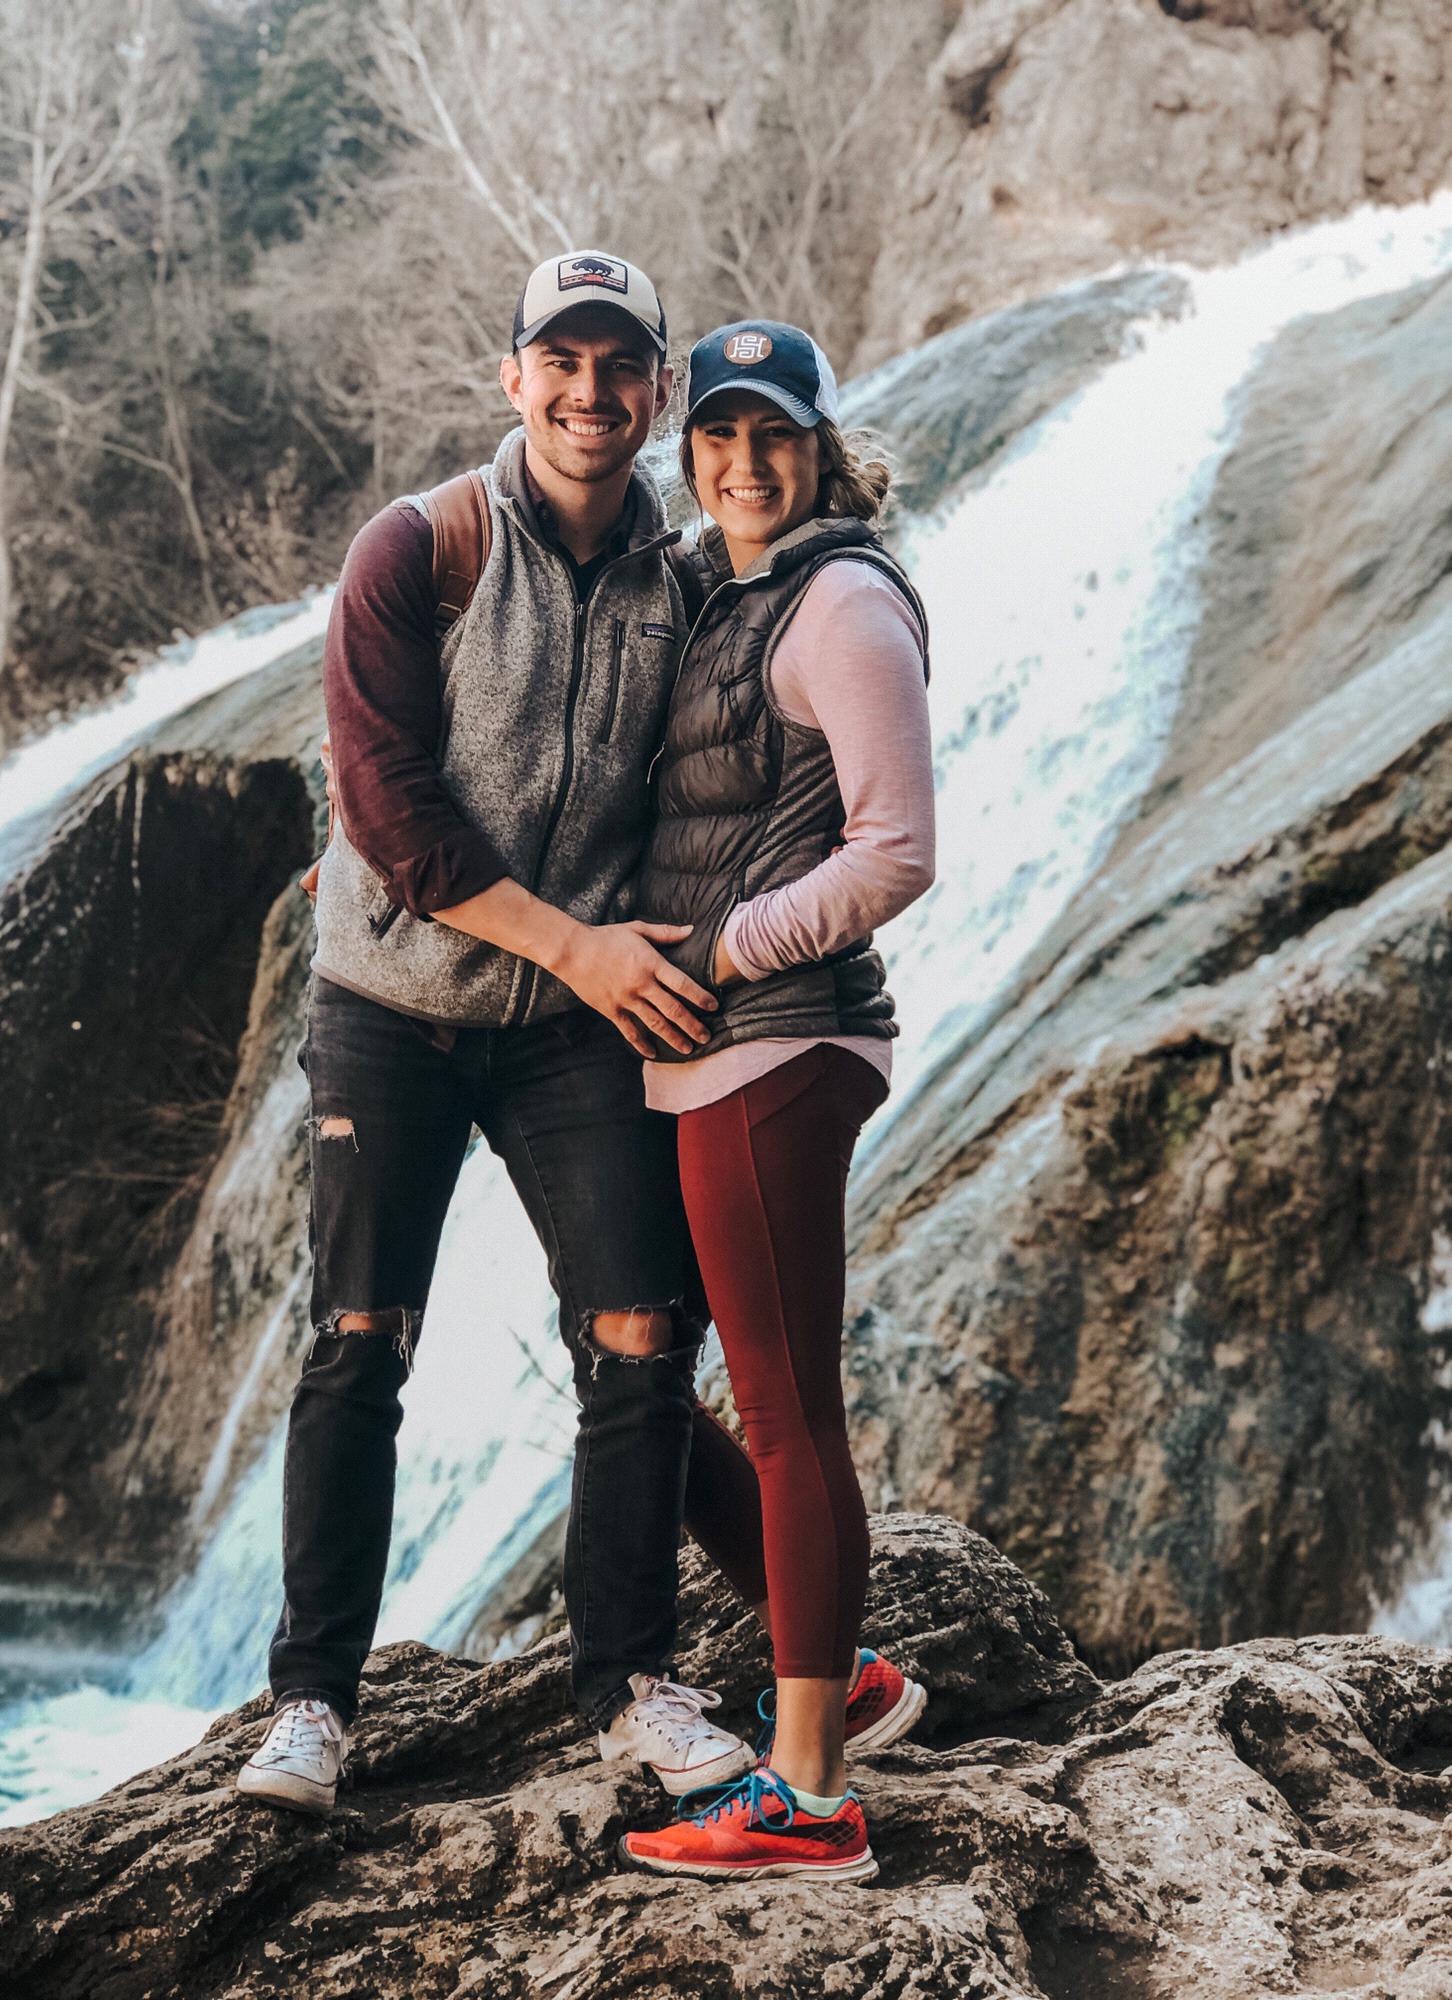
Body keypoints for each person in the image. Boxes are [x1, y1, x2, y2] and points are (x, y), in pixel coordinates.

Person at [236, 251, 764, 1815]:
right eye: (562, 361)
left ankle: (631, 1685)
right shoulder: (420, 547)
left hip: (570, 1026)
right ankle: (313, 1705)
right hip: (394, 1007)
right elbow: (388, 808)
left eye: (621, 369)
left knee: (642, 1337)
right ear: (511, 374)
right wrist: (586, 952)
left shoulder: (689, 582)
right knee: (357, 1344)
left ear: (658, 392)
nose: (590, 395)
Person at [618, 321, 937, 1884]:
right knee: (630, 1369)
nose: (746, 464)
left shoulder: (844, 603)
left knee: (787, 1408)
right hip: (709, 1051)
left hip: (780, 1044)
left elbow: (895, 850)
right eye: (721, 435)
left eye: (776, 436)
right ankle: (843, 1669)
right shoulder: (716, 584)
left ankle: (805, 1792)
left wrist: (731, 950)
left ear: (819, 444)